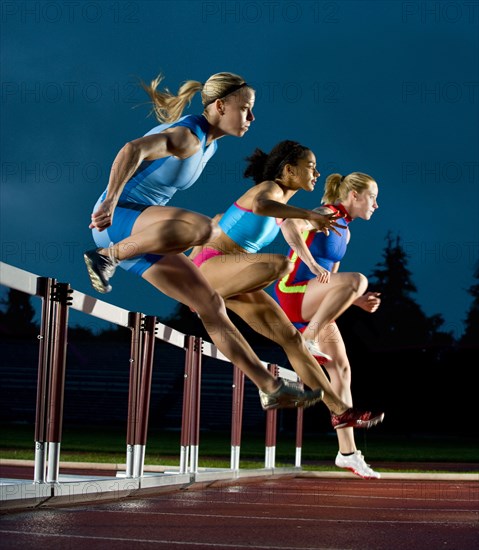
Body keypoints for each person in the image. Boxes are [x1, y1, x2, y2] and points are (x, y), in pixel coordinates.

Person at [84, 71, 337, 411]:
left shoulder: (210, 146)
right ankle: (106, 256)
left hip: (144, 239)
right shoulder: (189, 136)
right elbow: (133, 149)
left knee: (212, 306)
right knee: (206, 229)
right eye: (245, 108)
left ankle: (269, 387)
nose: (252, 117)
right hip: (121, 221)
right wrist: (111, 200)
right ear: (220, 106)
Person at [189, 141, 384, 430]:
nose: (317, 173)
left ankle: (340, 412)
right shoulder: (269, 190)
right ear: (289, 170)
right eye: (310, 167)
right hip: (210, 267)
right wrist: (308, 216)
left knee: (292, 339)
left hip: (233, 276)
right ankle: (205, 302)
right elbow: (259, 205)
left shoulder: (284, 208)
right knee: (281, 264)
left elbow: (246, 220)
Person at [274, 171, 383, 478]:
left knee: (342, 369)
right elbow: (290, 224)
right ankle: (308, 338)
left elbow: (335, 282)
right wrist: (308, 263)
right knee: (358, 279)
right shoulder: (328, 213)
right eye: (373, 197)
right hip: (293, 292)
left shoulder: (345, 232)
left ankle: (347, 453)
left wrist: (358, 300)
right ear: (355, 196)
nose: (376, 205)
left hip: (313, 301)